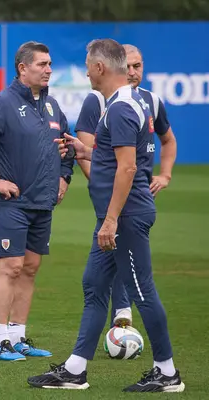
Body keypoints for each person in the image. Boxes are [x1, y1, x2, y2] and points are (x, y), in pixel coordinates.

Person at [27, 39, 185, 393]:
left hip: (125, 216)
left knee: (142, 292)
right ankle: (75, 370)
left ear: (100, 68)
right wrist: (87, 150)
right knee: (94, 285)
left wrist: (111, 220)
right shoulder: (121, 105)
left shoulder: (120, 108)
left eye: (87, 65)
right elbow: (117, 156)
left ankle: (168, 373)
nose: (84, 72)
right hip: (117, 216)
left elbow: (128, 169)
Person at [0, 41, 74, 362]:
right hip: (10, 202)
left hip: (41, 202)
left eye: (49, 64)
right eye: (42, 64)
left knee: (31, 268)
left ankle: (18, 337)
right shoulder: (0, 105)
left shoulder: (52, 107)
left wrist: (64, 177)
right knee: (11, 267)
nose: (48, 70)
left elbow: (68, 146)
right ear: (23, 68)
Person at [75, 44, 178, 328]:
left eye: (138, 66)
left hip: (132, 201)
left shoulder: (150, 101)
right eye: (128, 66)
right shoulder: (96, 101)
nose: (132, 72)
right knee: (99, 278)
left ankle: (157, 357)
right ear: (116, 65)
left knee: (125, 268)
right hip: (113, 197)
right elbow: (89, 149)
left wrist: (165, 175)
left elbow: (164, 142)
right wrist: (101, 183)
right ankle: (84, 356)